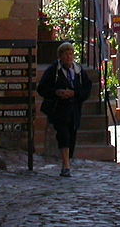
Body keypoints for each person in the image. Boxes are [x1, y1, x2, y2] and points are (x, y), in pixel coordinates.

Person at [37, 41, 92, 177]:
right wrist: (57, 92)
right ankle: (66, 165)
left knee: (72, 136)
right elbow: (42, 89)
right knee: (63, 135)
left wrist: (75, 94)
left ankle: (67, 161)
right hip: (59, 110)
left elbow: (86, 89)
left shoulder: (78, 71)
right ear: (60, 56)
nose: (69, 57)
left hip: (74, 110)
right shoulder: (54, 70)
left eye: (71, 54)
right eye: (66, 54)